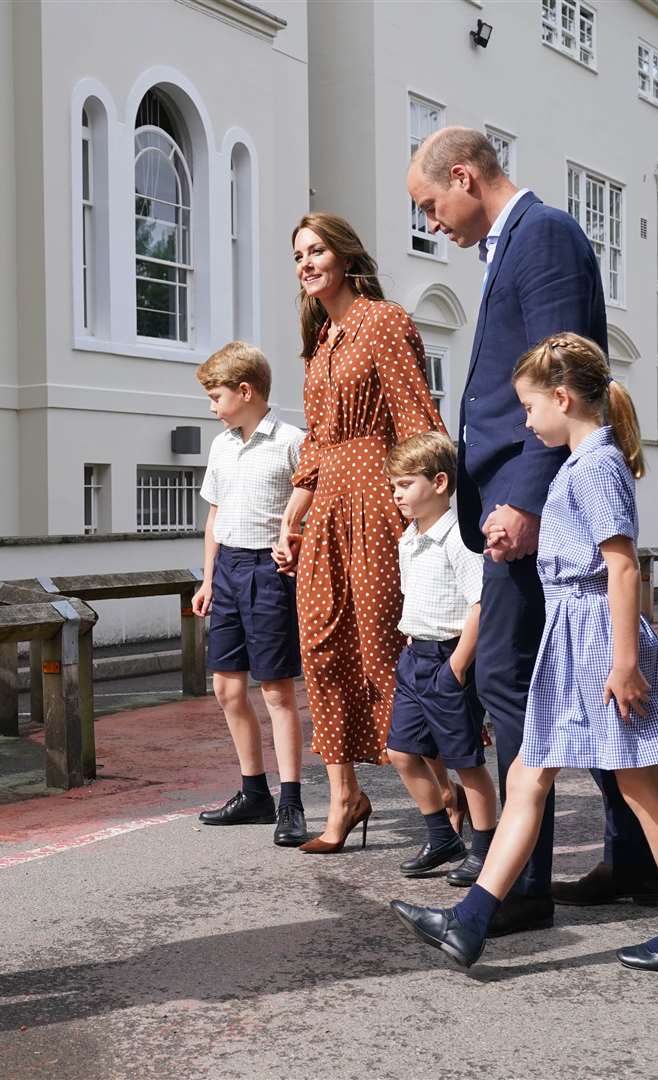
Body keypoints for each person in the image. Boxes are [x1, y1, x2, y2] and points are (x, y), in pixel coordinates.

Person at [391, 332, 658, 974]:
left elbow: (621, 568)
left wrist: (625, 663)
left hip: (598, 643)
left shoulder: (596, 465)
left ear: (563, 398)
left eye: (530, 407)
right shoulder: (580, 462)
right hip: (571, 641)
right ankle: (472, 921)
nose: (525, 419)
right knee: (526, 778)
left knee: (642, 790)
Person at [404, 126, 658, 927]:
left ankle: (520, 889)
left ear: (466, 176)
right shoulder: (511, 243)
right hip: (514, 495)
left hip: (530, 500)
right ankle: (636, 859)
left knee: (510, 683)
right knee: (568, 684)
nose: (432, 222)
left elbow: (564, 375)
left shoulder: (542, 235)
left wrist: (523, 495)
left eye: (430, 204)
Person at [273, 213, 447, 853]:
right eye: (298, 255)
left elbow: (417, 420)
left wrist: (424, 512)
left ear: (345, 256)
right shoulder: (321, 340)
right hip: (325, 512)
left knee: (383, 649)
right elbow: (316, 443)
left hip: (378, 501)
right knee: (319, 649)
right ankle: (344, 796)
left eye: (316, 250)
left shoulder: (384, 321)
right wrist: (292, 515)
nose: (306, 263)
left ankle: (446, 792)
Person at [190, 342, 310, 846]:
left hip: (269, 572)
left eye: (216, 396)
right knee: (226, 688)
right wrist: (208, 578)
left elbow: (311, 511)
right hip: (231, 571)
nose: (212, 406)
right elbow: (214, 516)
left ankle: (292, 801)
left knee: (277, 691)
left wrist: (293, 547)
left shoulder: (292, 441)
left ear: (245, 391)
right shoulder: (221, 446)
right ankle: (253, 792)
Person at [382, 433, 498, 879]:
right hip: (415, 656)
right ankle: (442, 837)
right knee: (401, 752)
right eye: (394, 486)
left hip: (450, 659)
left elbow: (480, 603)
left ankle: (485, 849)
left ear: (440, 483)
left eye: (405, 484)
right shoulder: (409, 538)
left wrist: (457, 666)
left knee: (466, 762)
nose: (397, 495)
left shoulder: (459, 538)